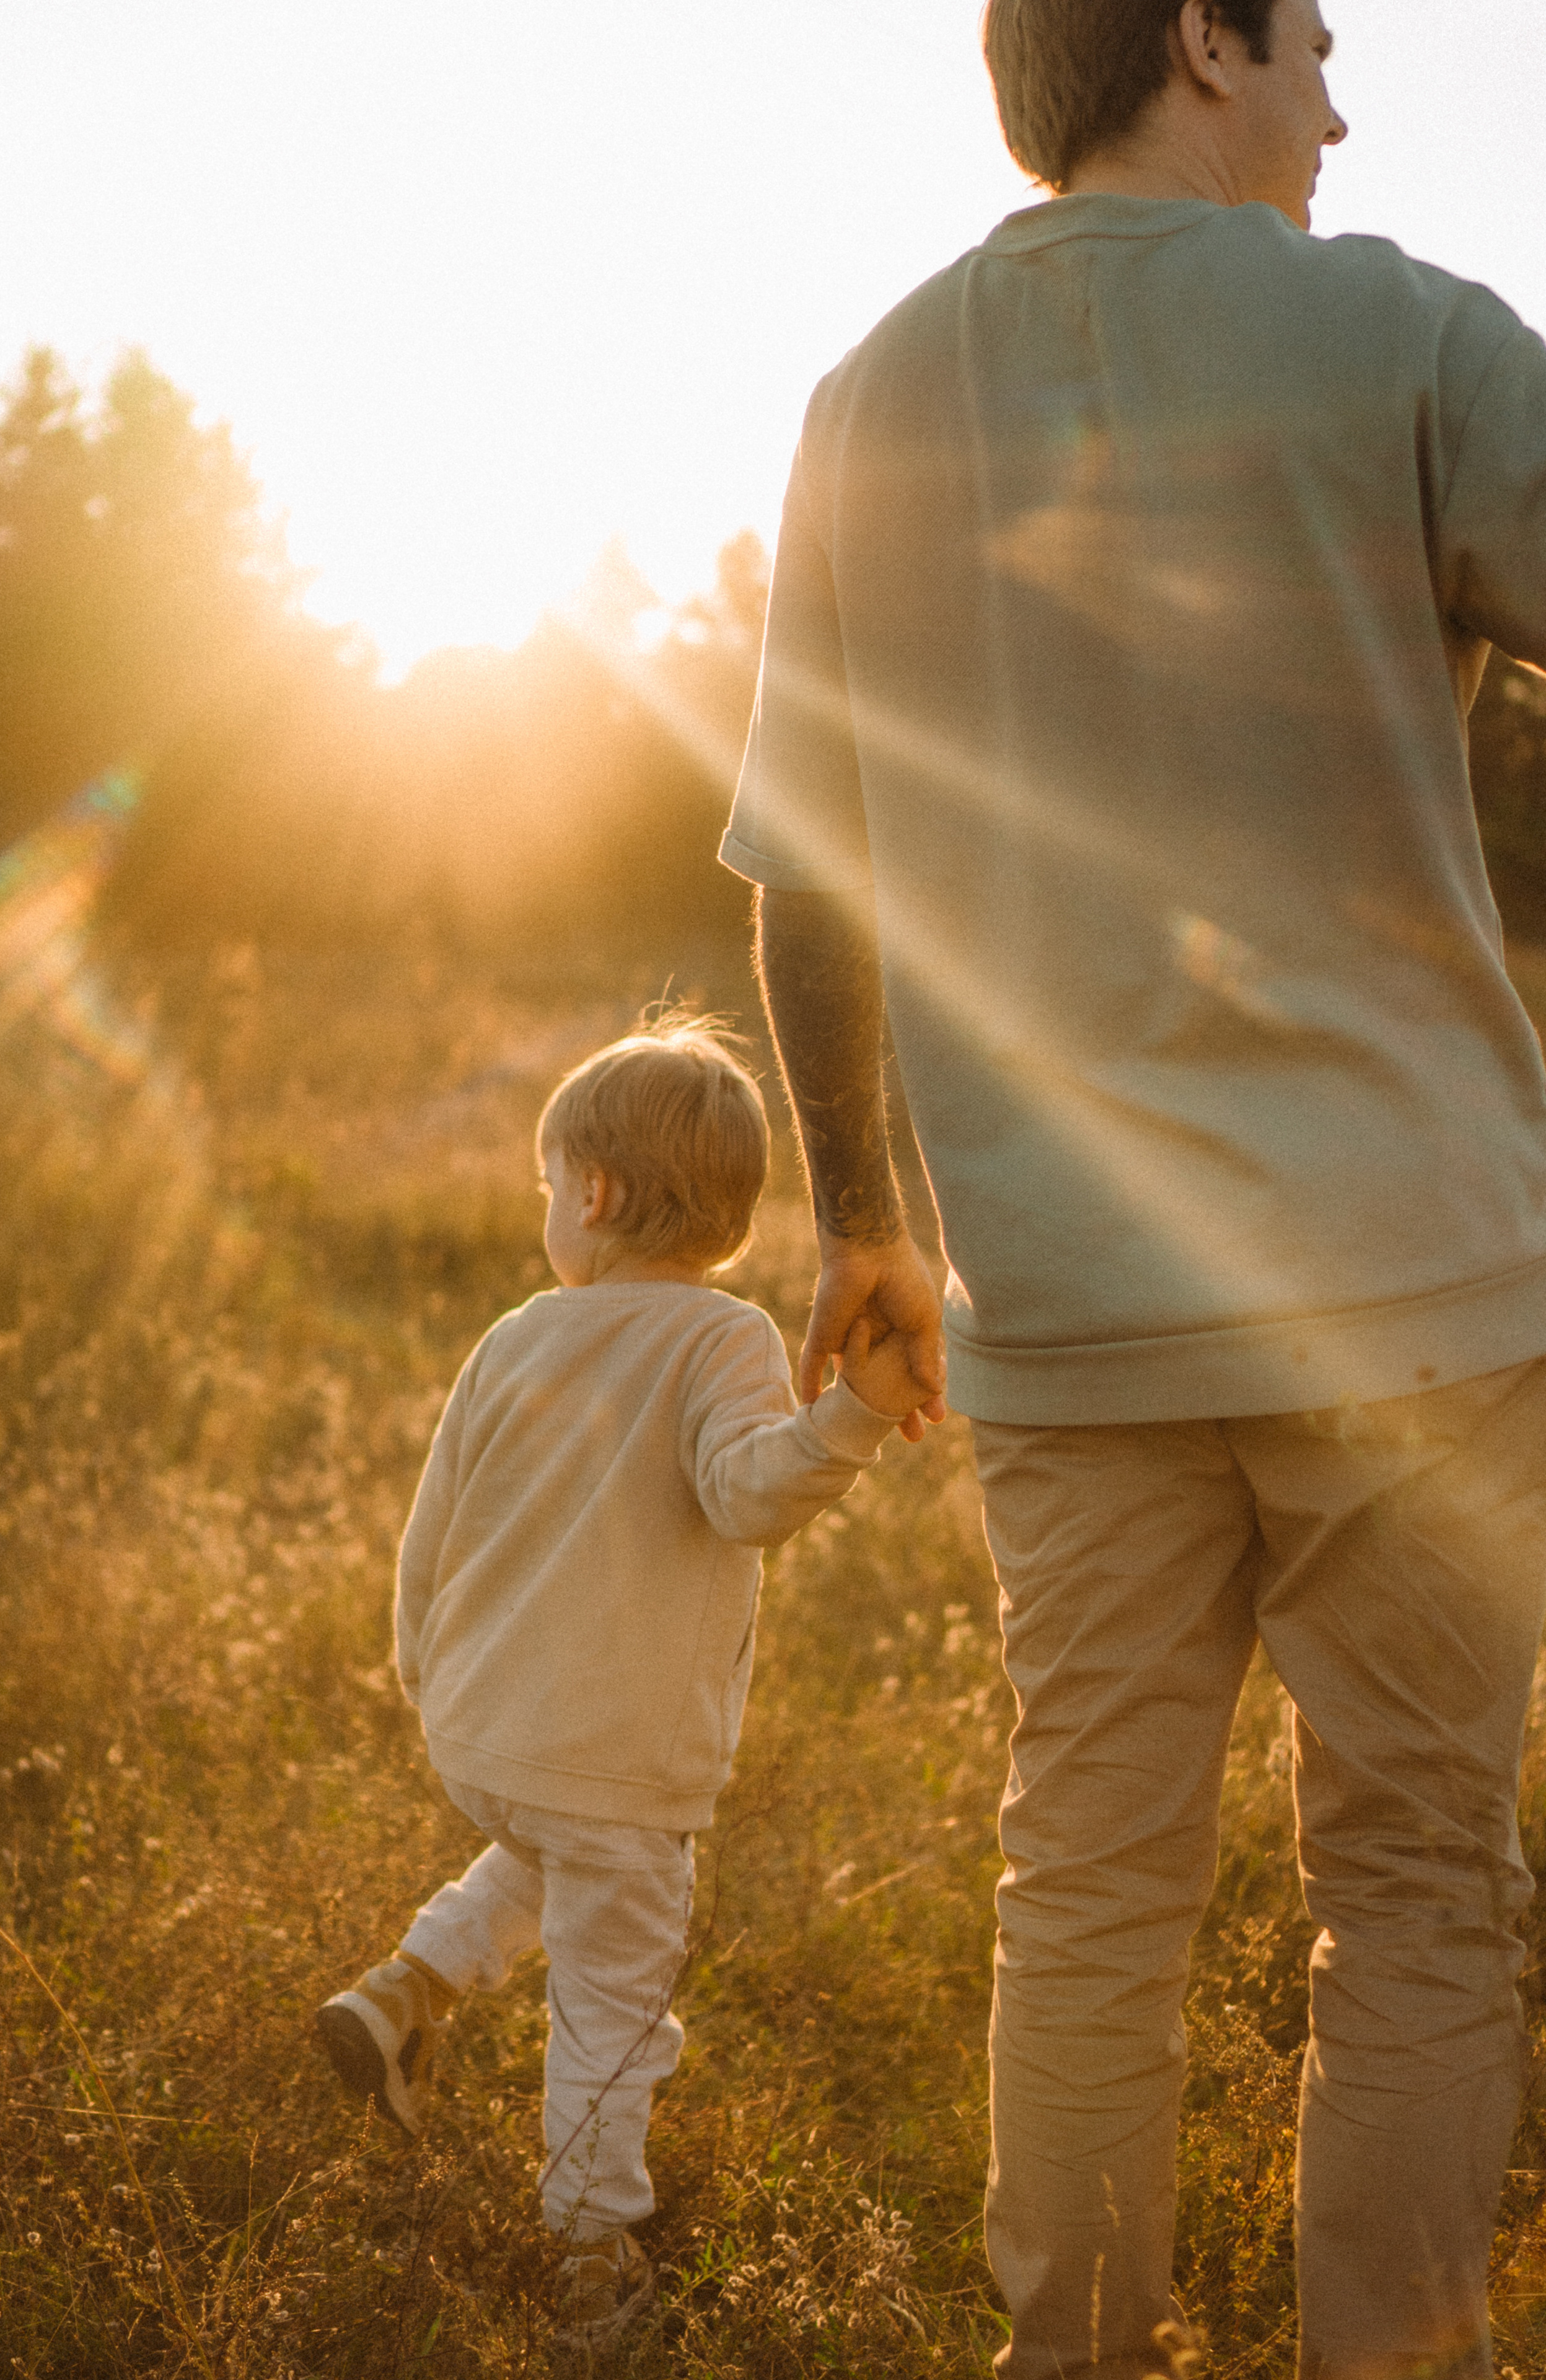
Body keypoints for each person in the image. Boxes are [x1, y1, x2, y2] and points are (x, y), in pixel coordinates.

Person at [721, 2, 1546, 2373]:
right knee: (1409, 1883)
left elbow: (809, 881)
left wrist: (866, 1222)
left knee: (1083, 1886)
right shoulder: (1400, 329)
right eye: (1313, 45)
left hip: (1068, 1319)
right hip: (1429, 1298)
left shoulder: (869, 397)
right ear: (1203, 37)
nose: (1340, 106)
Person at [314, 1018, 925, 2354]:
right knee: (611, 1995)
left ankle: (407, 1993)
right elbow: (748, 1494)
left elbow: (433, 1521)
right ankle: (590, 2248)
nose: (550, 1209)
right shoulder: (722, 1341)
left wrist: (424, 1671)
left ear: (590, 1194)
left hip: (481, 1729)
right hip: (617, 1757)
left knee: (547, 1844)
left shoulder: (515, 1334)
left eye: (548, 1186)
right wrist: (852, 1416)